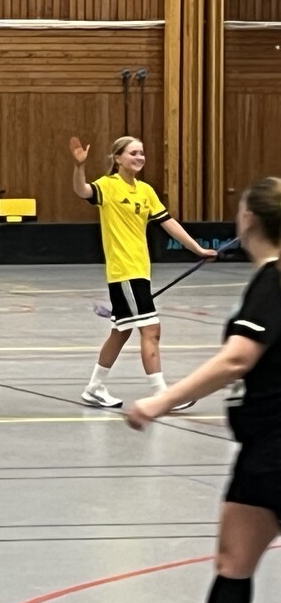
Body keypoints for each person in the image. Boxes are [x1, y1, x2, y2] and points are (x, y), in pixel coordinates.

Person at [120, 177, 281, 603]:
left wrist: (161, 400)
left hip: (276, 450)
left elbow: (236, 359)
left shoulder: (273, 282)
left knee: (235, 562)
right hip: (263, 449)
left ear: (248, 219)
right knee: (234, 561)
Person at [71, 135, 217, 409]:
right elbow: (82, 191)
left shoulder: (146, 191)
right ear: (117, 158)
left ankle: (94, 388)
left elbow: (168, 222)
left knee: (121, 331)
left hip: (140, 270)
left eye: (141, 153)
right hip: (125, 272)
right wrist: (79, 167)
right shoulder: (108, 186)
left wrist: (198, 249)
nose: (139, 157)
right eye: (133, 153)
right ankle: (162, 396)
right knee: (151, 330)